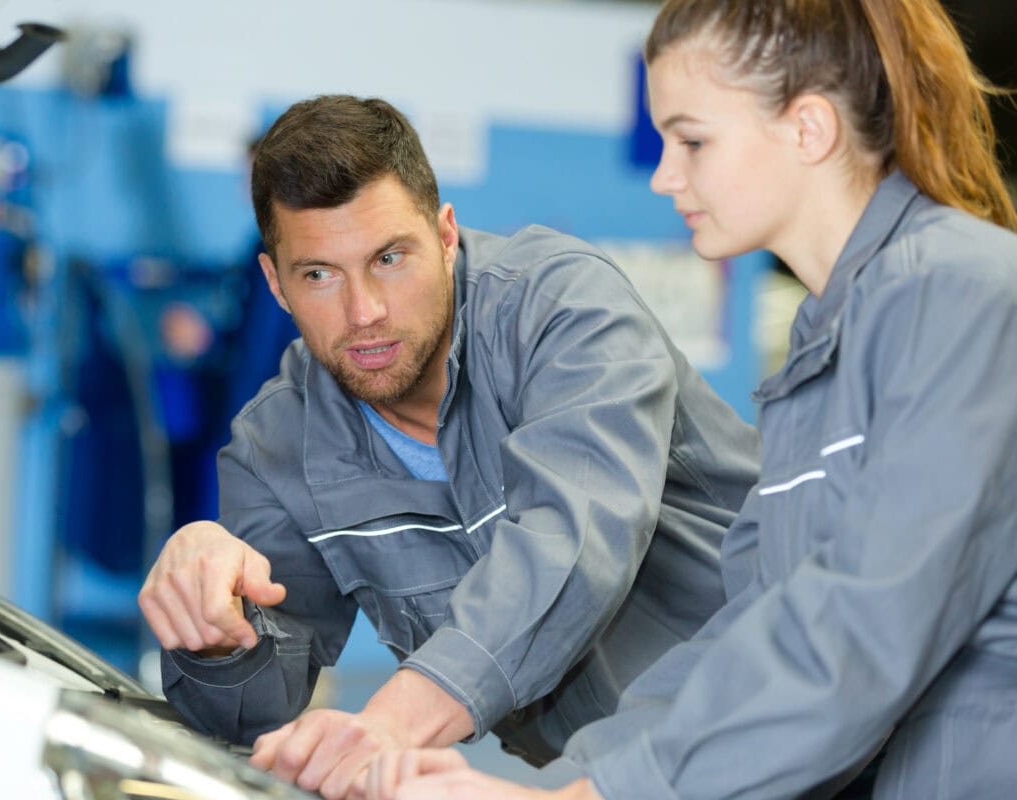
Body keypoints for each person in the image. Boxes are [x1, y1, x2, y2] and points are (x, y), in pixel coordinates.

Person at [366, 1, 1017, 798]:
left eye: (693, 140)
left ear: (809, 128)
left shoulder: (963, 297)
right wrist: (576, 786)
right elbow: (743, 638)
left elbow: (866, 630)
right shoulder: (824, 349)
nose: (665, 175)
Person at [137, 94, 760, 800]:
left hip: (813, 738)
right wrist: (215, 625)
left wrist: (390, 723)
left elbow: (576, 541)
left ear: (445, 234)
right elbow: (254, 710)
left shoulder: (561, 312)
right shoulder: (276, 445)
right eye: (319, 274)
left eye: (390, 258)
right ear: (276, 285)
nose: (364, 311)